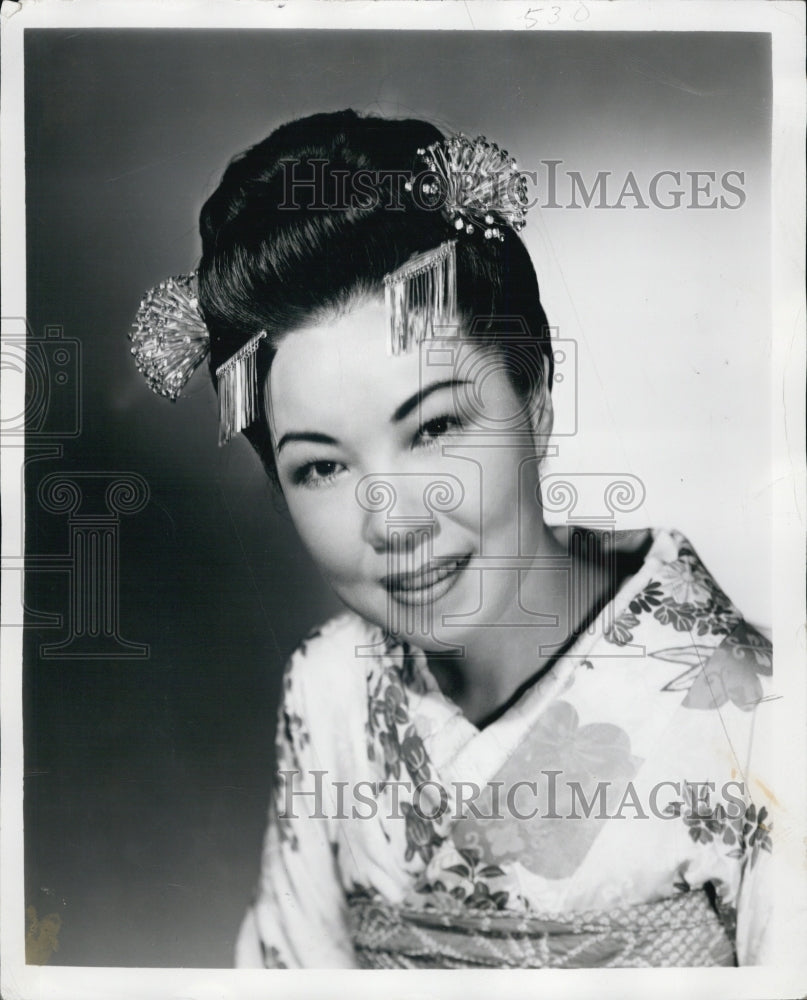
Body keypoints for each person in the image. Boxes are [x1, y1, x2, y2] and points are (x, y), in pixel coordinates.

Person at [130, 109, 774, 968]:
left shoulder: (767, 719)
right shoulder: (330, 686)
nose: (394, 519)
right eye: (321, 468)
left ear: (535, 404)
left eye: (433, 428)